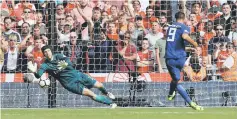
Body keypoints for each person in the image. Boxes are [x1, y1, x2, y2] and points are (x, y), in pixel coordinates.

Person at [27, 45, 117, 108]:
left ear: (51, 51)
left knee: (100, 85)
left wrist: (61, 66)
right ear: (44, 54)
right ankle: (111, 103)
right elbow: (38, 75)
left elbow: (69, 62)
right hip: (69, 83)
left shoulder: (58, 56)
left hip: (78, 75)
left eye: (48, 51)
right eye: (45, 52)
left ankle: (106, 93)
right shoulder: (45, 65)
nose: (47, 53)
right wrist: (34, 71)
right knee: (91, 94)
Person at [165, 12, 203, 110]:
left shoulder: (169, 28)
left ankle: (171, 93)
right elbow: (185, 37)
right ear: (184, 18)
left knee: (176, 80)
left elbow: (174, 45)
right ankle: (191, 102)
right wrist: (195, 44)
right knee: (177, 79)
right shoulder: (184, 27)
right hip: (180, 58)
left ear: (175, 17)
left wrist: (188, 49)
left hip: (170, 58)